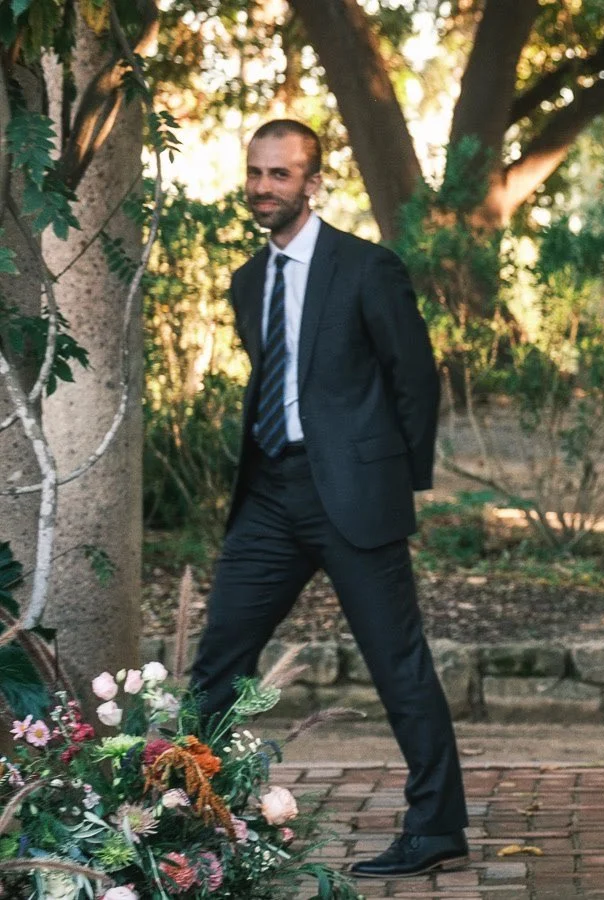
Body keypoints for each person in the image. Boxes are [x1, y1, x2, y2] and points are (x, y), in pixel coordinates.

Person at [189, 119, 471, 879]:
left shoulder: (366, 268)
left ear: (313, 183)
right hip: (270, 496)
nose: (262, 188)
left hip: (354, 496)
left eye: (279, 175)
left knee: (398, 665)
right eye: (254, 173)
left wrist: (397, 479)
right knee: (217, 661)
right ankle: (188, 812)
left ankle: (437, 825)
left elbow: (415, 379)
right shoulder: (248, 281)